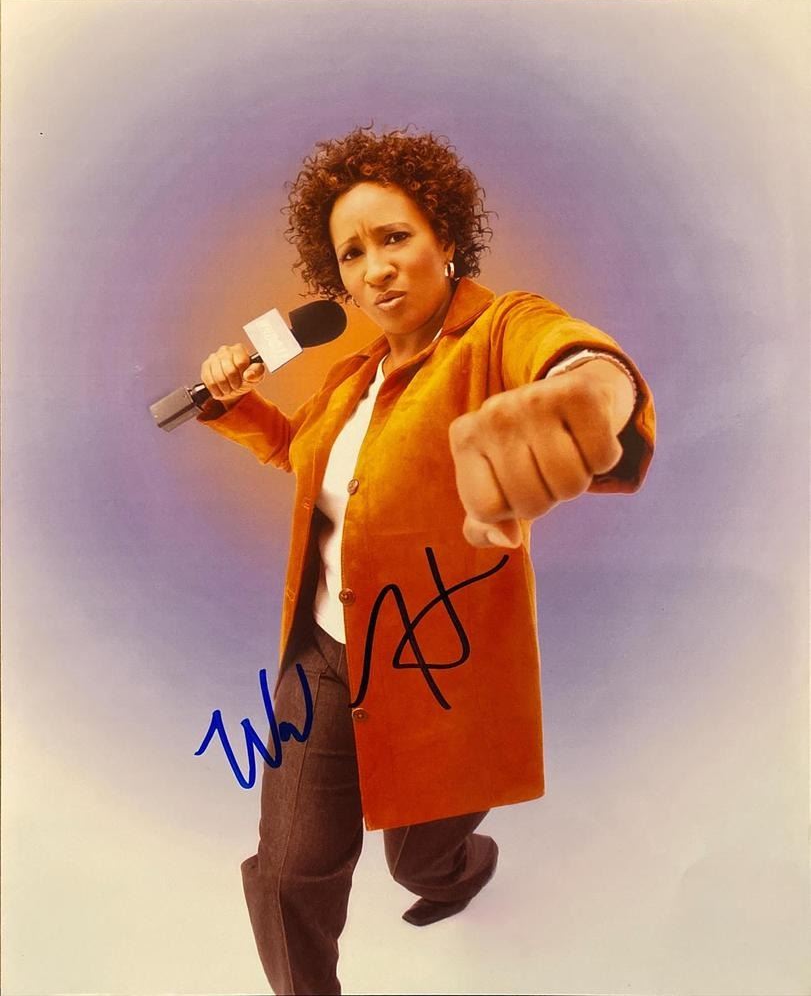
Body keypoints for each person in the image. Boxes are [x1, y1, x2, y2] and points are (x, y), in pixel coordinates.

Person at [197, 126, 655, 995]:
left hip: (436, 669)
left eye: (394, 237)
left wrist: (592, 391)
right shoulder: (351, 378)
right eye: (353, 253)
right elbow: (301, 457)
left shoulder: (497, 331)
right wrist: (233, 402)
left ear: (444, 237)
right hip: (321, 656)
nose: (375, 269)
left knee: (417, 856)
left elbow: (574, 356)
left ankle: (458, 870)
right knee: (287, 875)